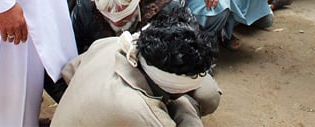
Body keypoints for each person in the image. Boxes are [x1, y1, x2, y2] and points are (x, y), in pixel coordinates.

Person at [52, 8, 221, 126]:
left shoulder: (107, 44)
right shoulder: (148, 117)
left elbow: (69, 72)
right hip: (132, 110)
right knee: (188, 109)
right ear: (176, 88)